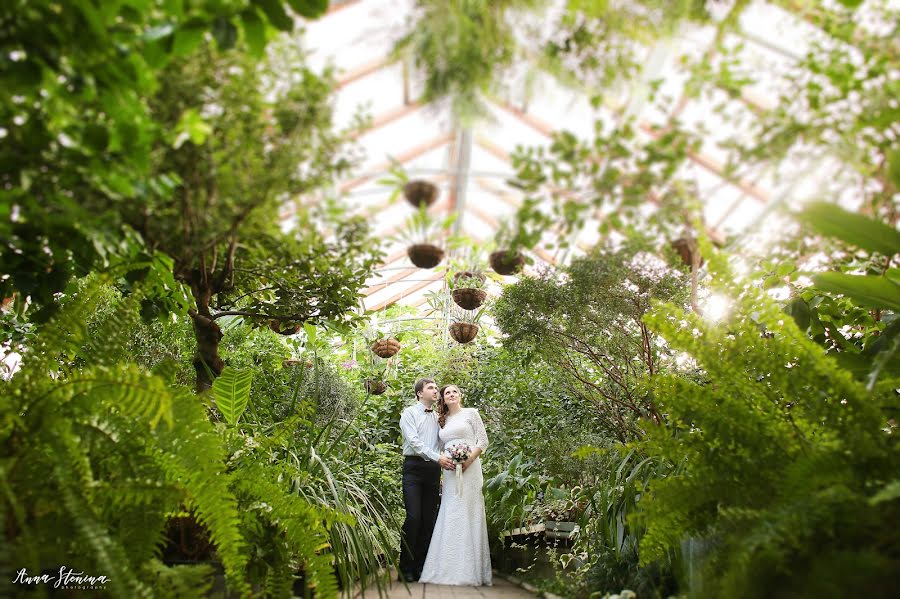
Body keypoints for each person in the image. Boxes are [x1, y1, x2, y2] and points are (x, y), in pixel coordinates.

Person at [419, 384, 492, 586]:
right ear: (443, 398)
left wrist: (468, 460)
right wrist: (445, 465)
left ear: (460, 395)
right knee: (450, 510)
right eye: (447, 393)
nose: (451, 394)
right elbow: (440, 448)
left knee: (470, 510)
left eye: (454, 392)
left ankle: (471, 570)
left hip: (471, 468)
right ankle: (446, 567)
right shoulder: (441, 420)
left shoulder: (471, 413)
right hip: (450, 471)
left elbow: (483, 441)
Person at [398, 377, 455, 582]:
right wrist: (438, 458)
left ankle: (421, 567)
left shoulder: (439, 417)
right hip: (413, 468)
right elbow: (413, 442)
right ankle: (404, 567)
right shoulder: (409, 413)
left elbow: (444, 441)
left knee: (428, 520)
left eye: (436, 387)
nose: (436, 390)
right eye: (431, 388)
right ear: (419, 393)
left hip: (433, 470)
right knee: (414, 517)